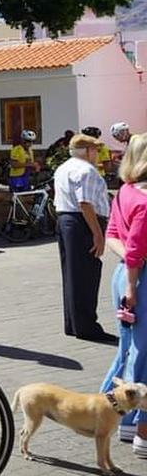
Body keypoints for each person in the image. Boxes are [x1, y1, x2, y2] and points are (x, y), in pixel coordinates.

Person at [99, 132, 147, 451]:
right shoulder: (143, 200)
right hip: (139, 277)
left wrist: (128, 277)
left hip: (126, 275)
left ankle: (115, 417)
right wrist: (133, 281)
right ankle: (140, 430)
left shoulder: (126, 192)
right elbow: (133, 250)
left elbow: (113, 236)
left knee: (129, 349)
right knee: (142, 353)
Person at [53, 133, 116, 343]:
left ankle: (73, 323)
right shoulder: (86, 170)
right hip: (82, 223)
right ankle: (88, 326)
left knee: (72, 275)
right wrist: (98, 234)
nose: (97, 154)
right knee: (87, 275)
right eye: (95, 150)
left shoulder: (63, 167)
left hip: (66, 221)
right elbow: (85, 203)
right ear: (87, 152)